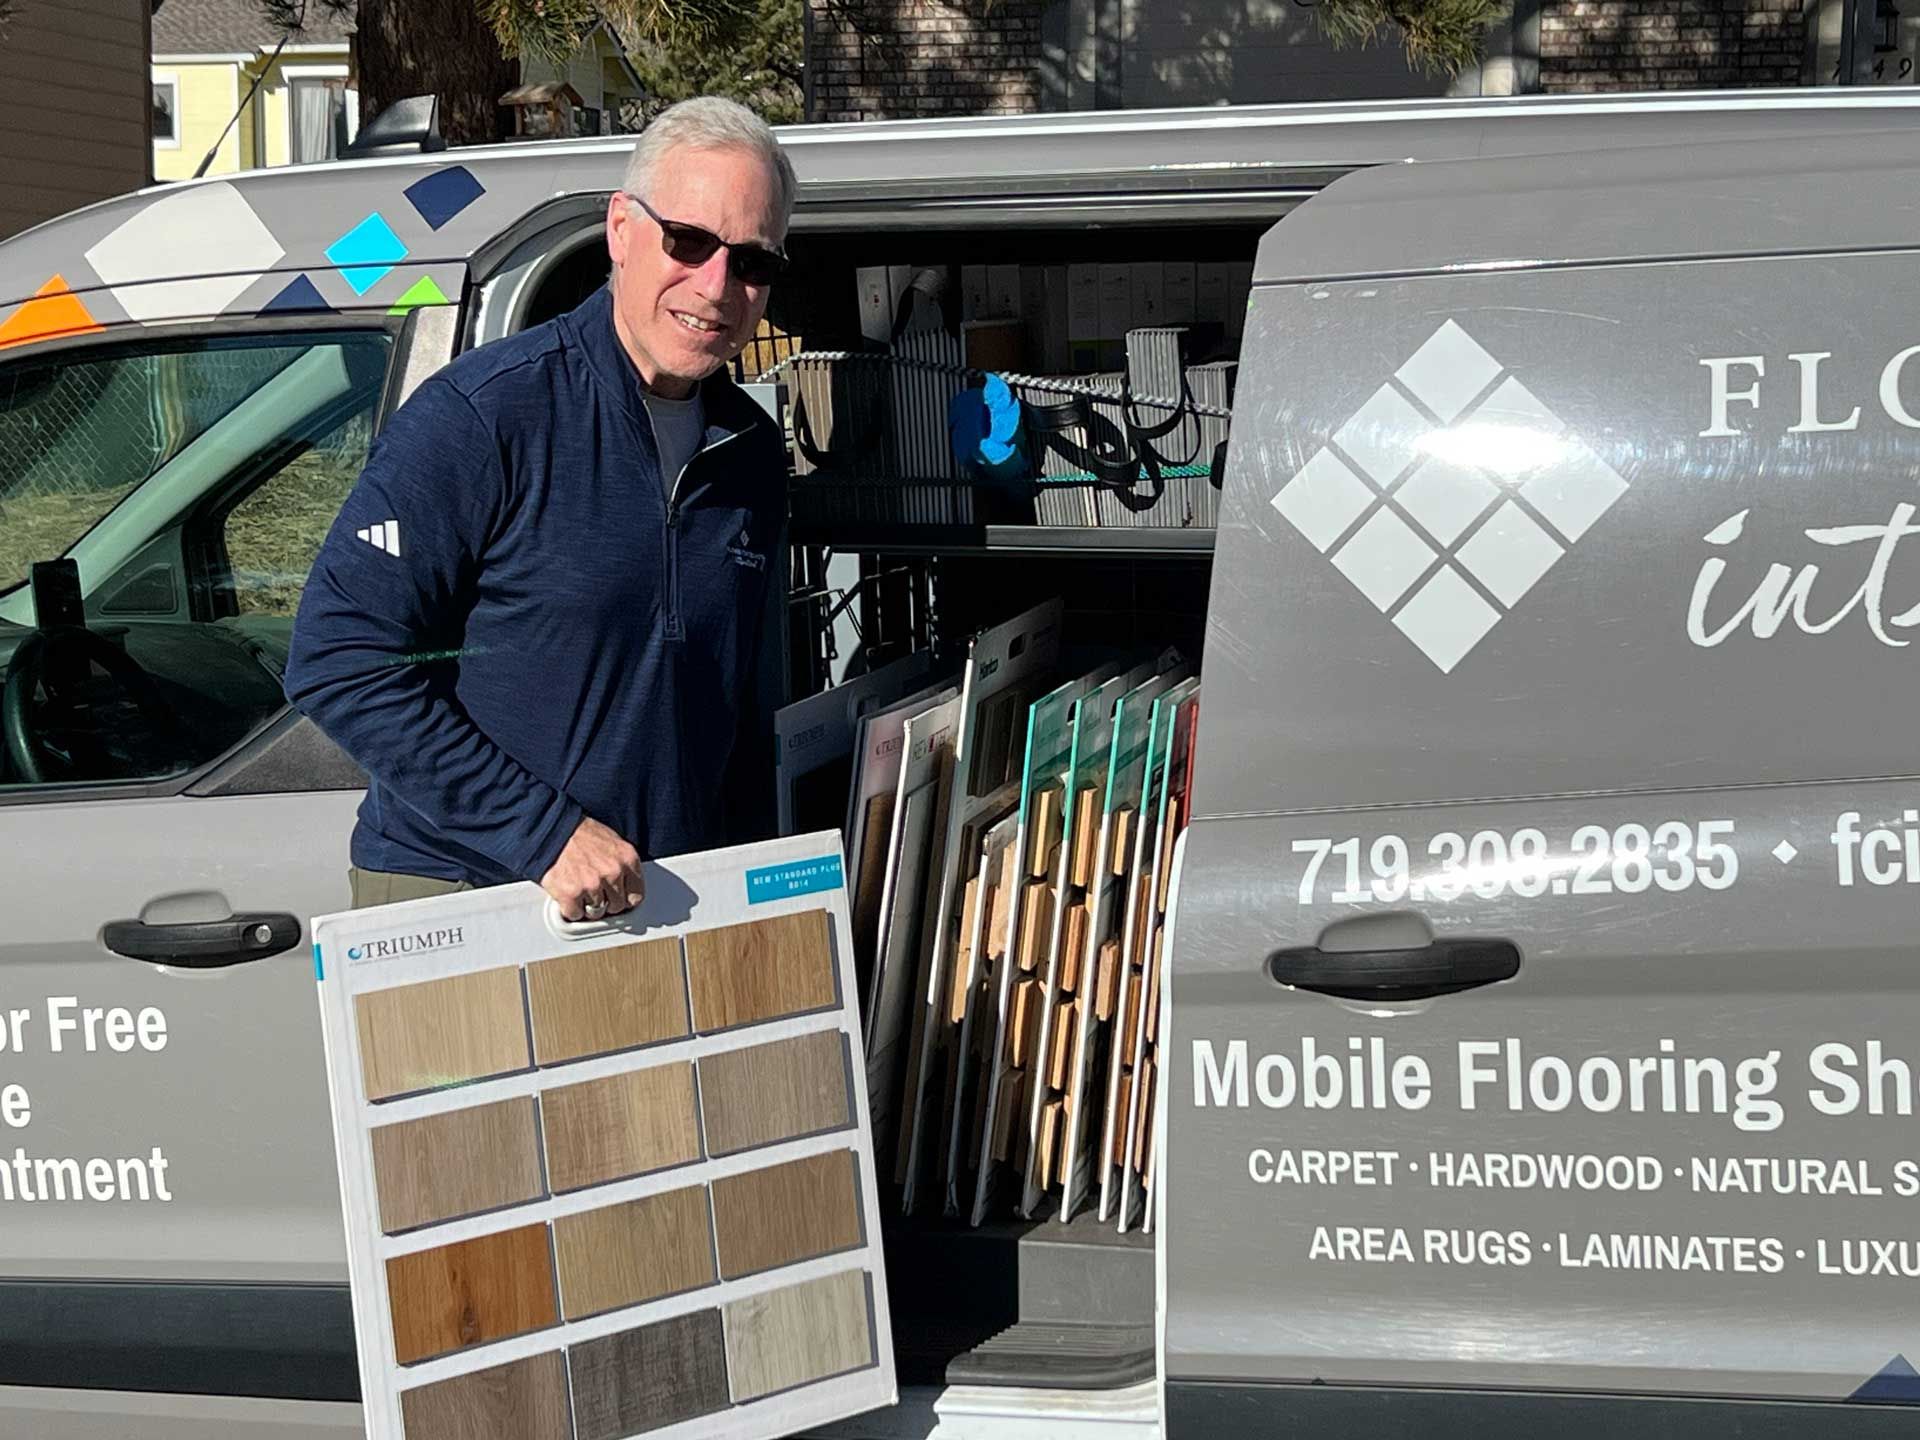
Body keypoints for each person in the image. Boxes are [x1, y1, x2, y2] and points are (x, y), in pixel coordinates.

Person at [284, 96, 795, 922]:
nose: (716, 285)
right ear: (622, 228)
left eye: (752, 262)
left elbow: (730, 713)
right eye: (690, 242)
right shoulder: (485, 415)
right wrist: (545, 834)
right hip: (462, 900)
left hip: (663, 906)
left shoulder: (750, 456)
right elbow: (338, 658)